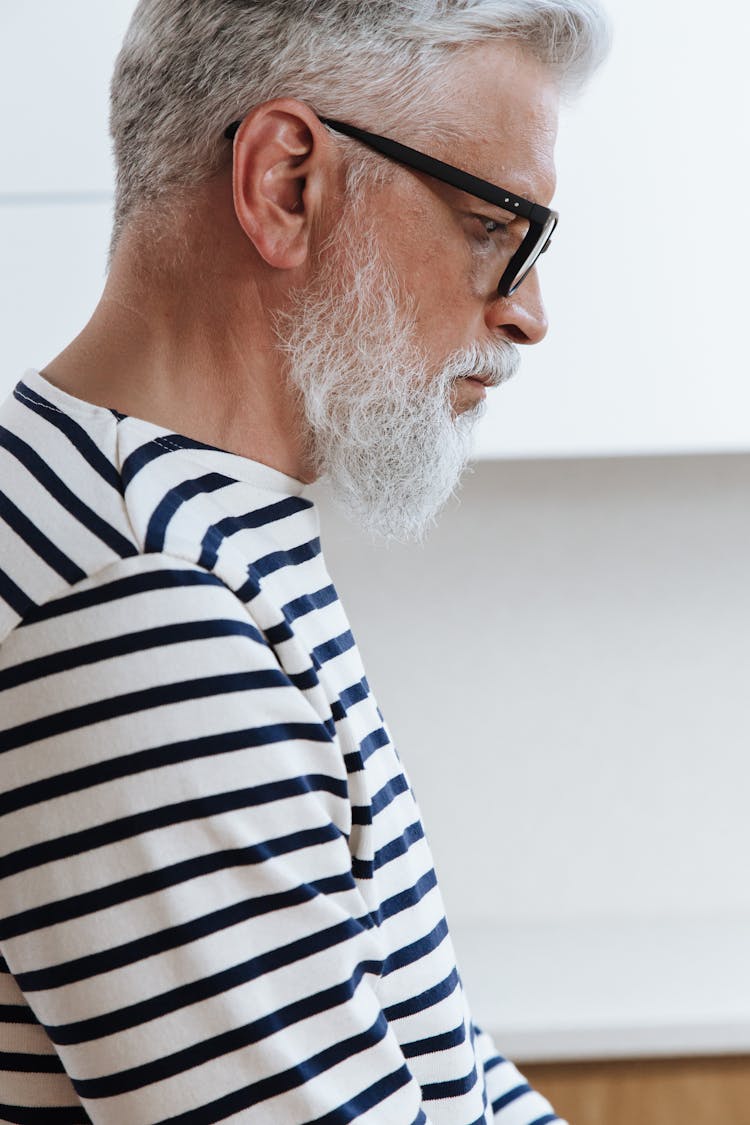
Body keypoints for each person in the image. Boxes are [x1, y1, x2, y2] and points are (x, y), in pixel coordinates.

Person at [0, 1, 609, 1121]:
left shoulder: (182, 524)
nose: (528, 313)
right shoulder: (138, 621)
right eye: (493, 226)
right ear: (288, 184)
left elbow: (445, 1063)